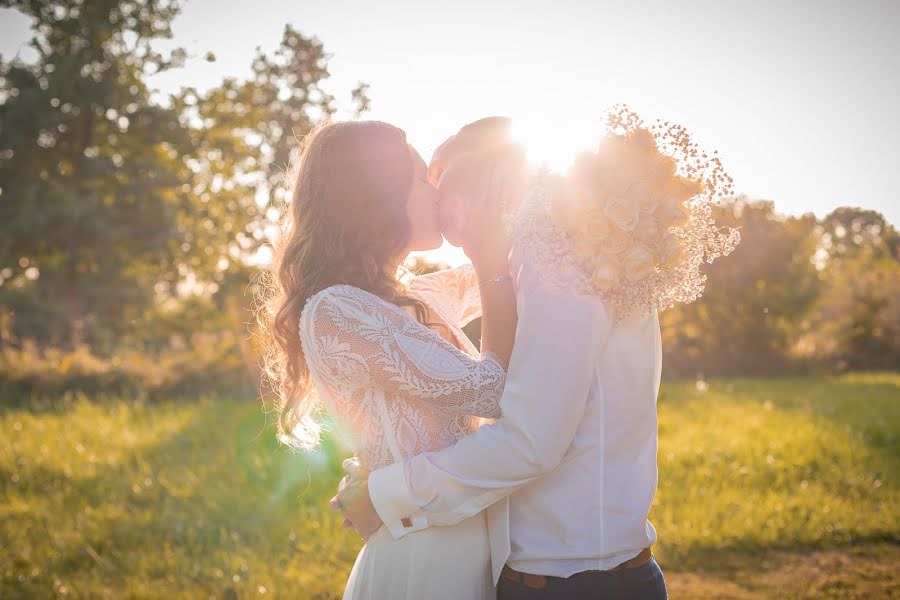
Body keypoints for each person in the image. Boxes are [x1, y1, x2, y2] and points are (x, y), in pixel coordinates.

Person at [332, 116, 670, 599]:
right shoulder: (540, 255)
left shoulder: (557, 257)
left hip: (576, 584)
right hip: (554, 576)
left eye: (439, 178)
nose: (433, 195)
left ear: (484, 178)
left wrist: (386, 494)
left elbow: (531, 441)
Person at [257, 119, 523, 599]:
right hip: (425, 558)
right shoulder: (338, 309)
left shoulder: (414, 296)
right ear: (378, 199)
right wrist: (489, 256)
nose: (437, 191)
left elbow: (514, 262)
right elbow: (492, 389)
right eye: (423, 178)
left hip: (468, 539)